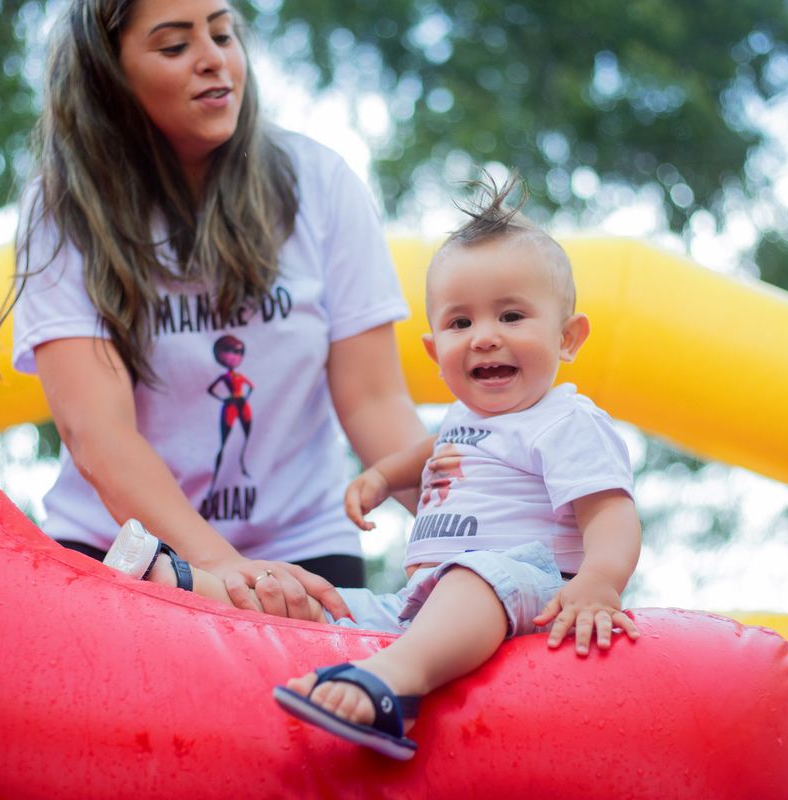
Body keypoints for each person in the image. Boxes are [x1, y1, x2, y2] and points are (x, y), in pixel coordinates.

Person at [107, 174, 643, 760]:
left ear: (569, 338)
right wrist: (384, 477)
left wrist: (598, 584)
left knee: (475, 575)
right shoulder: (465, 421)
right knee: (329, 603)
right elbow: (431, 451)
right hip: (420, 598)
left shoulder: (564, 419)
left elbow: (611, 513)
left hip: (527, 588)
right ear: (435, 353)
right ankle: (187, 585)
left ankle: (395, 686)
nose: (484, 338)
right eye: (460, 323)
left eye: (512, 316)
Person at [2, 0, 428, 620]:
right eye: (175, 47)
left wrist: (475, 533)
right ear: (108, 76)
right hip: (124, 546)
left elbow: (374, 401)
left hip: (304, 550)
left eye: (223, 34)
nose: (215, 60)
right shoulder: (63, 209)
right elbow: (98, 431)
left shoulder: (320, 183)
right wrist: (219, 568)